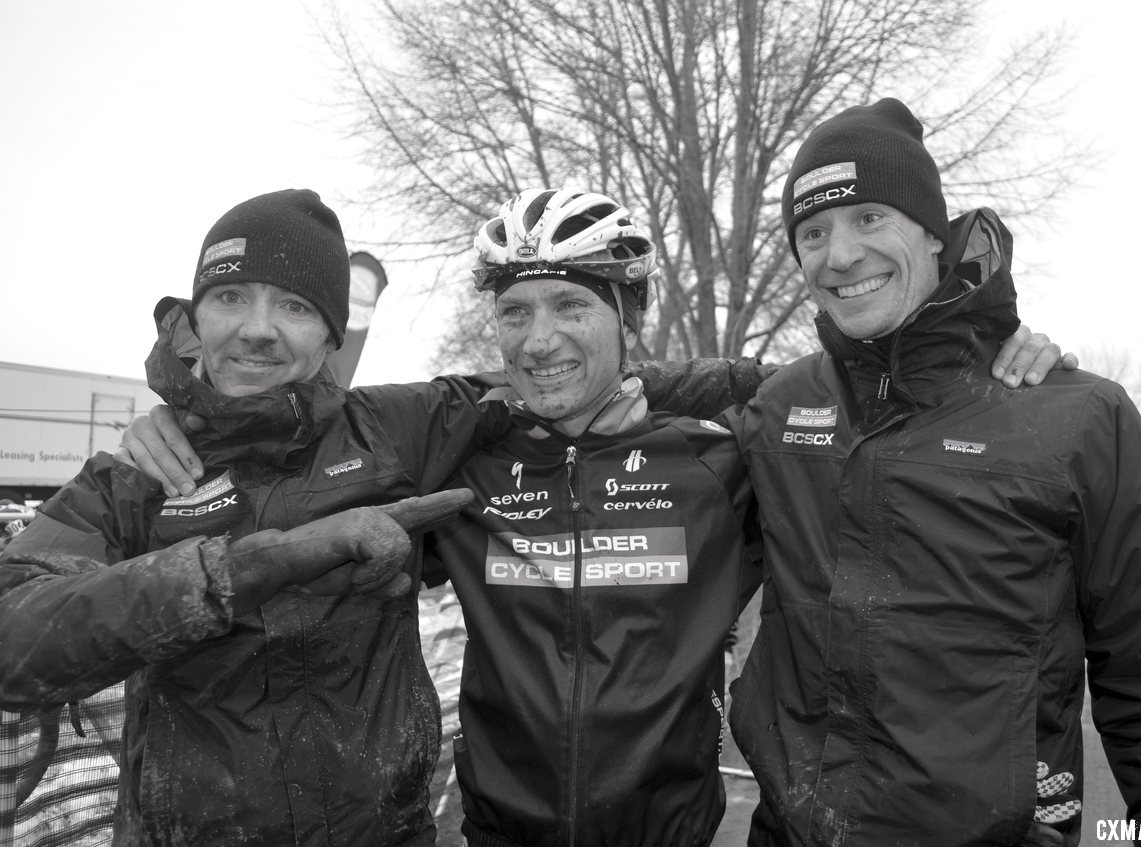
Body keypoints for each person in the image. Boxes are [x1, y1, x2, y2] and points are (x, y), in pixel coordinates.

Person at [112, 186, 1070, 845]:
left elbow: (838, 392)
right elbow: (306, 442)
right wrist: (183, 405)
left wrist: (982, 344)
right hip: (497, 828)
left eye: (570, 304)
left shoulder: (720, 456)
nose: (540, 338)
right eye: (517, 310)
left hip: (671, 828)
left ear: (628, 318)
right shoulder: (468, 454)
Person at [646, 98, 1141, 845]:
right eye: (813, 232)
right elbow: (628, 432)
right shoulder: (782, 411)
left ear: (931, 229)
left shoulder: (1079, 418)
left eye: (869, 218)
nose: (840, 254)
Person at [0, 189, 485, 846]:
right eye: (231, 296)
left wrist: (648, 394)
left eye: (294, 304)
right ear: (196, 315)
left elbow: (560, 385)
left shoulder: (396, 431)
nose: (257, 326)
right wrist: (244, 568)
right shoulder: (133, 479)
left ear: (330, 333)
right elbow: (13, 641)